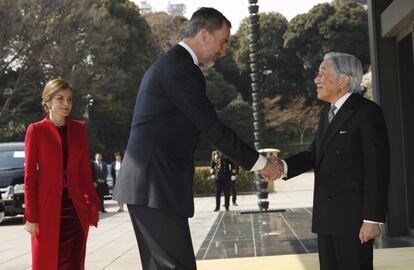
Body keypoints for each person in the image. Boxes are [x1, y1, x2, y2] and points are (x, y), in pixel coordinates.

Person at [113, 7, 281, 270]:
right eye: (223, 41)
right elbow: (212, 127)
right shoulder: (180, 69)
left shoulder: (173, 64)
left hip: (150, 185)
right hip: (155, 184)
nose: (224, 51)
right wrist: (260, 163)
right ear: (204, 34)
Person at [275, 52, 390, 270]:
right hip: (327, 219)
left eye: (322, 73)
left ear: (344, 81)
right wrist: (282, 166)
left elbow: (378, 168)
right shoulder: (326, 113)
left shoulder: (367, 112)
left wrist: (372, 219)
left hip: (354, 221)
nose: (316, 79)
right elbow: (314, 155)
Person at [23, 79, 100, 270]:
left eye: (69, 99)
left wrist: (92, 204)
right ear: (48, 101)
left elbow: (84, 171)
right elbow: (30, 177)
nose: (67, 104)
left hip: (75, 210)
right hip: (47, 211)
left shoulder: (78, 129)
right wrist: (31, 216)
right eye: (60, 99)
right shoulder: (36, 130)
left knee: (73, 263)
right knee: (47, 263)